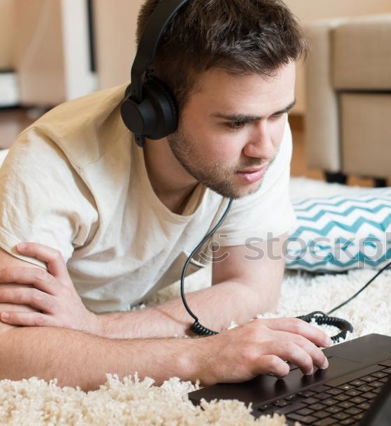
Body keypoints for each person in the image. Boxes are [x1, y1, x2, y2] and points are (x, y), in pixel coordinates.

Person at [0, 0, 331, 391]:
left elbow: (253, 286)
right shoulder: (52, 166)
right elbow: (10, 349)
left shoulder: (263, 137)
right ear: (157, 112)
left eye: (280, 114)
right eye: (235, 123)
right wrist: (202, 357)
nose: (265, 147)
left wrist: (96, 328)